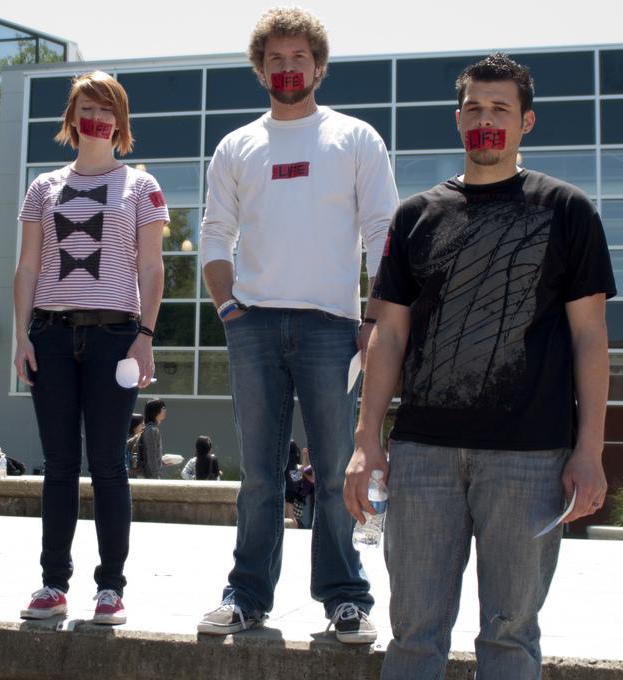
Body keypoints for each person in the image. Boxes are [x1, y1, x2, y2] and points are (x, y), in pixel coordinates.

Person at [346, 53, 614, 680]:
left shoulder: (568, 210)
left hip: (530, 458)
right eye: (475, 108)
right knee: (412, 634)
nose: (486, 119)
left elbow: (590, 337)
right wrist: (366, 442)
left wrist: (590, 449)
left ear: (527, 123)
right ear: (458, 120)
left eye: (501, 109)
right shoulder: (416, 215)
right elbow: (387, 335)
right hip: (423, 455)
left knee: (511, 637)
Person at [197, 7, 398, 642]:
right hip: (253, 328)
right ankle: (246, 595)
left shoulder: (357, 138)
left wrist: (372, 317)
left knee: (337, 468)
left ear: (319, 67)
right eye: (275, 59)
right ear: (261, 69)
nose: (288, 69)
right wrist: (230, 309)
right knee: (258, 473)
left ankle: (345, 597)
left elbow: (384, 233)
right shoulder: (237, 145)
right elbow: (212, 234)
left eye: (299, 58)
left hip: (331, 330)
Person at [13, 71, 167, 625]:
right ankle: (53, 584)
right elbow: (27, 266)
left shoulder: (142, 186)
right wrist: (22, 335)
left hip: (114, 338)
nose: (96, 116)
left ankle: (110, 588)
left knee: (107, 464)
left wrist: (145, 338)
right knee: (58, 464)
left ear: (120, 121)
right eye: (86, 106)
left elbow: (151, 267)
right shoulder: (42, 186)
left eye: (107, 107)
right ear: (72, 118)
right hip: (51, 336)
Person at [284, 441, 315, 529]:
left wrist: (305, 458)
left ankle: (294, 533)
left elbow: (311, 478)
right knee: (291, 519)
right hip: (296, 498)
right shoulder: (297, 468)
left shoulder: (294, 468)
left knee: (291, 519)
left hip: (294, 499)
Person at [137, 399, 166, 480]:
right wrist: (156, 477)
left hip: (150, 475)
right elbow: (151, 455)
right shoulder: (151, 430)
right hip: (150, 476)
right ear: (155, 410)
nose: (165, 410)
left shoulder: (152, 428)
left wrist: (162, 461)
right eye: (163, 408)